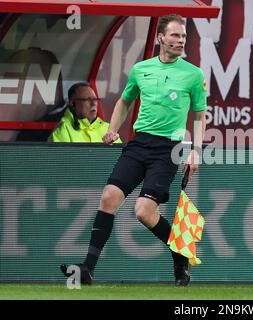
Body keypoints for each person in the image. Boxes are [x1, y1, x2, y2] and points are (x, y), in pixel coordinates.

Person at [60, 14, 207, 286]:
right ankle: (87, 269)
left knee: (144, 212)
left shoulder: (193, 75)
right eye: (175, 35)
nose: (180, 40)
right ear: (161, 37)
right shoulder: (141, 69)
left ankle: (179, 252)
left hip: (168, 149)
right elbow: (125, 101)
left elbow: (199, 116)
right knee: (108, 198)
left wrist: (196, 150)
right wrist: (112, 129)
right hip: (139, 144)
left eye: (183, 36)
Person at [48, 82, 122, 143]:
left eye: (95, 99)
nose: (93, 103)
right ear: (73, 104)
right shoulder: (63, 130)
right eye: (87, 100)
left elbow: (122, 158)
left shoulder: (108, 129)